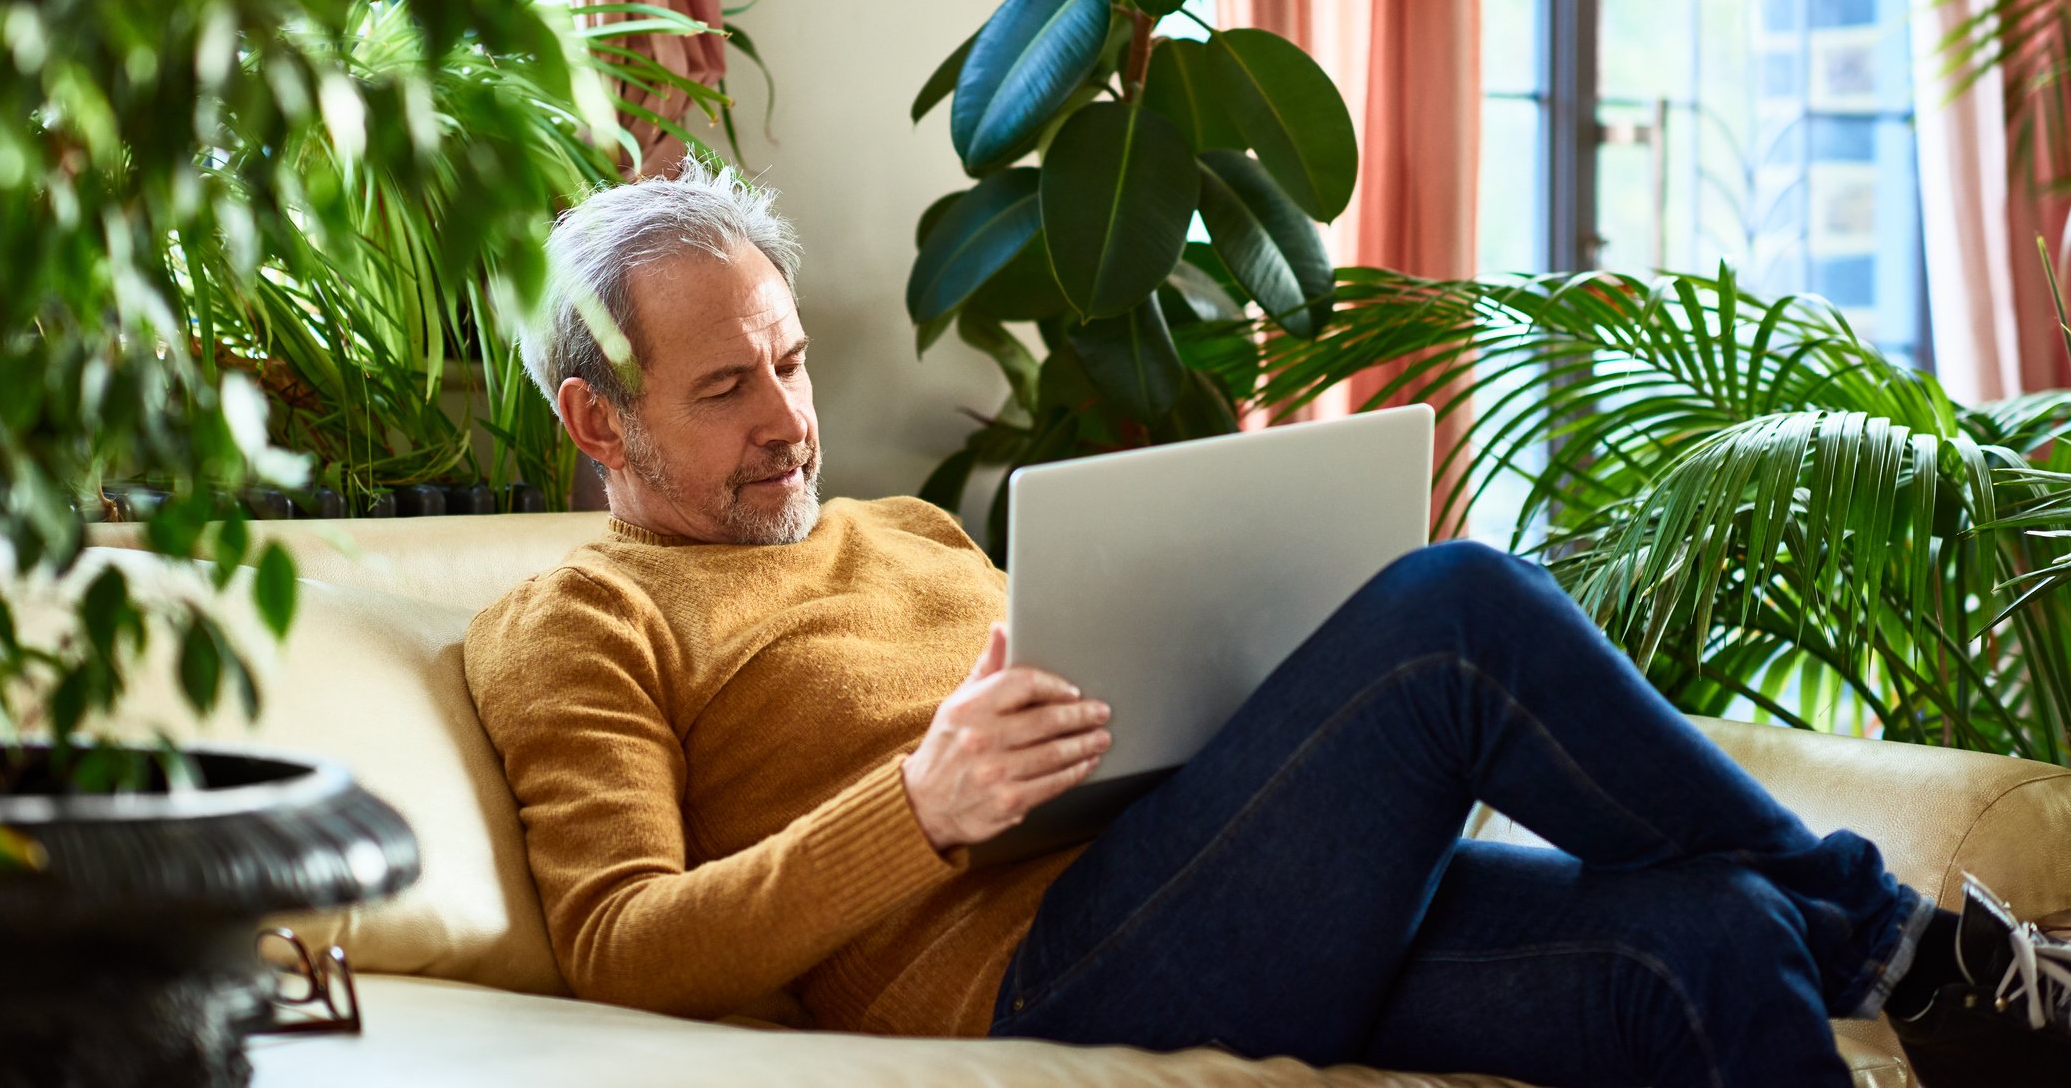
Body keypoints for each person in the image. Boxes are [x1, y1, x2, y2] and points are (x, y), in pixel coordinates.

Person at [463, 161, 2071, 1088]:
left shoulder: (910, 532)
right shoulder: (580, 618)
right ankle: (1919, 956)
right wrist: (918, 809)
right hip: (1040, 973)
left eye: (792, 361)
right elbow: (620, 947)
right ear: (600, 422)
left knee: (1714, 932)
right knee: (1458, 608)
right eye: (725, 389)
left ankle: (1911, 975)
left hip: (1213, 893)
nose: (788, 419)